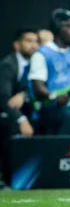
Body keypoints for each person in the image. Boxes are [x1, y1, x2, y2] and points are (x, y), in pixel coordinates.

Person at [0, 28, 38, 186]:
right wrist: (21, 120)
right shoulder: (8, 65)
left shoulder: (36, 64)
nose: (33, 45)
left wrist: (23, 95)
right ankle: (7, 177)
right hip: (6, 113)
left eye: (36, 41)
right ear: (17, 44)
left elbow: (34, 90)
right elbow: (3, 98)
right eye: (28, 41)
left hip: (29, 110)